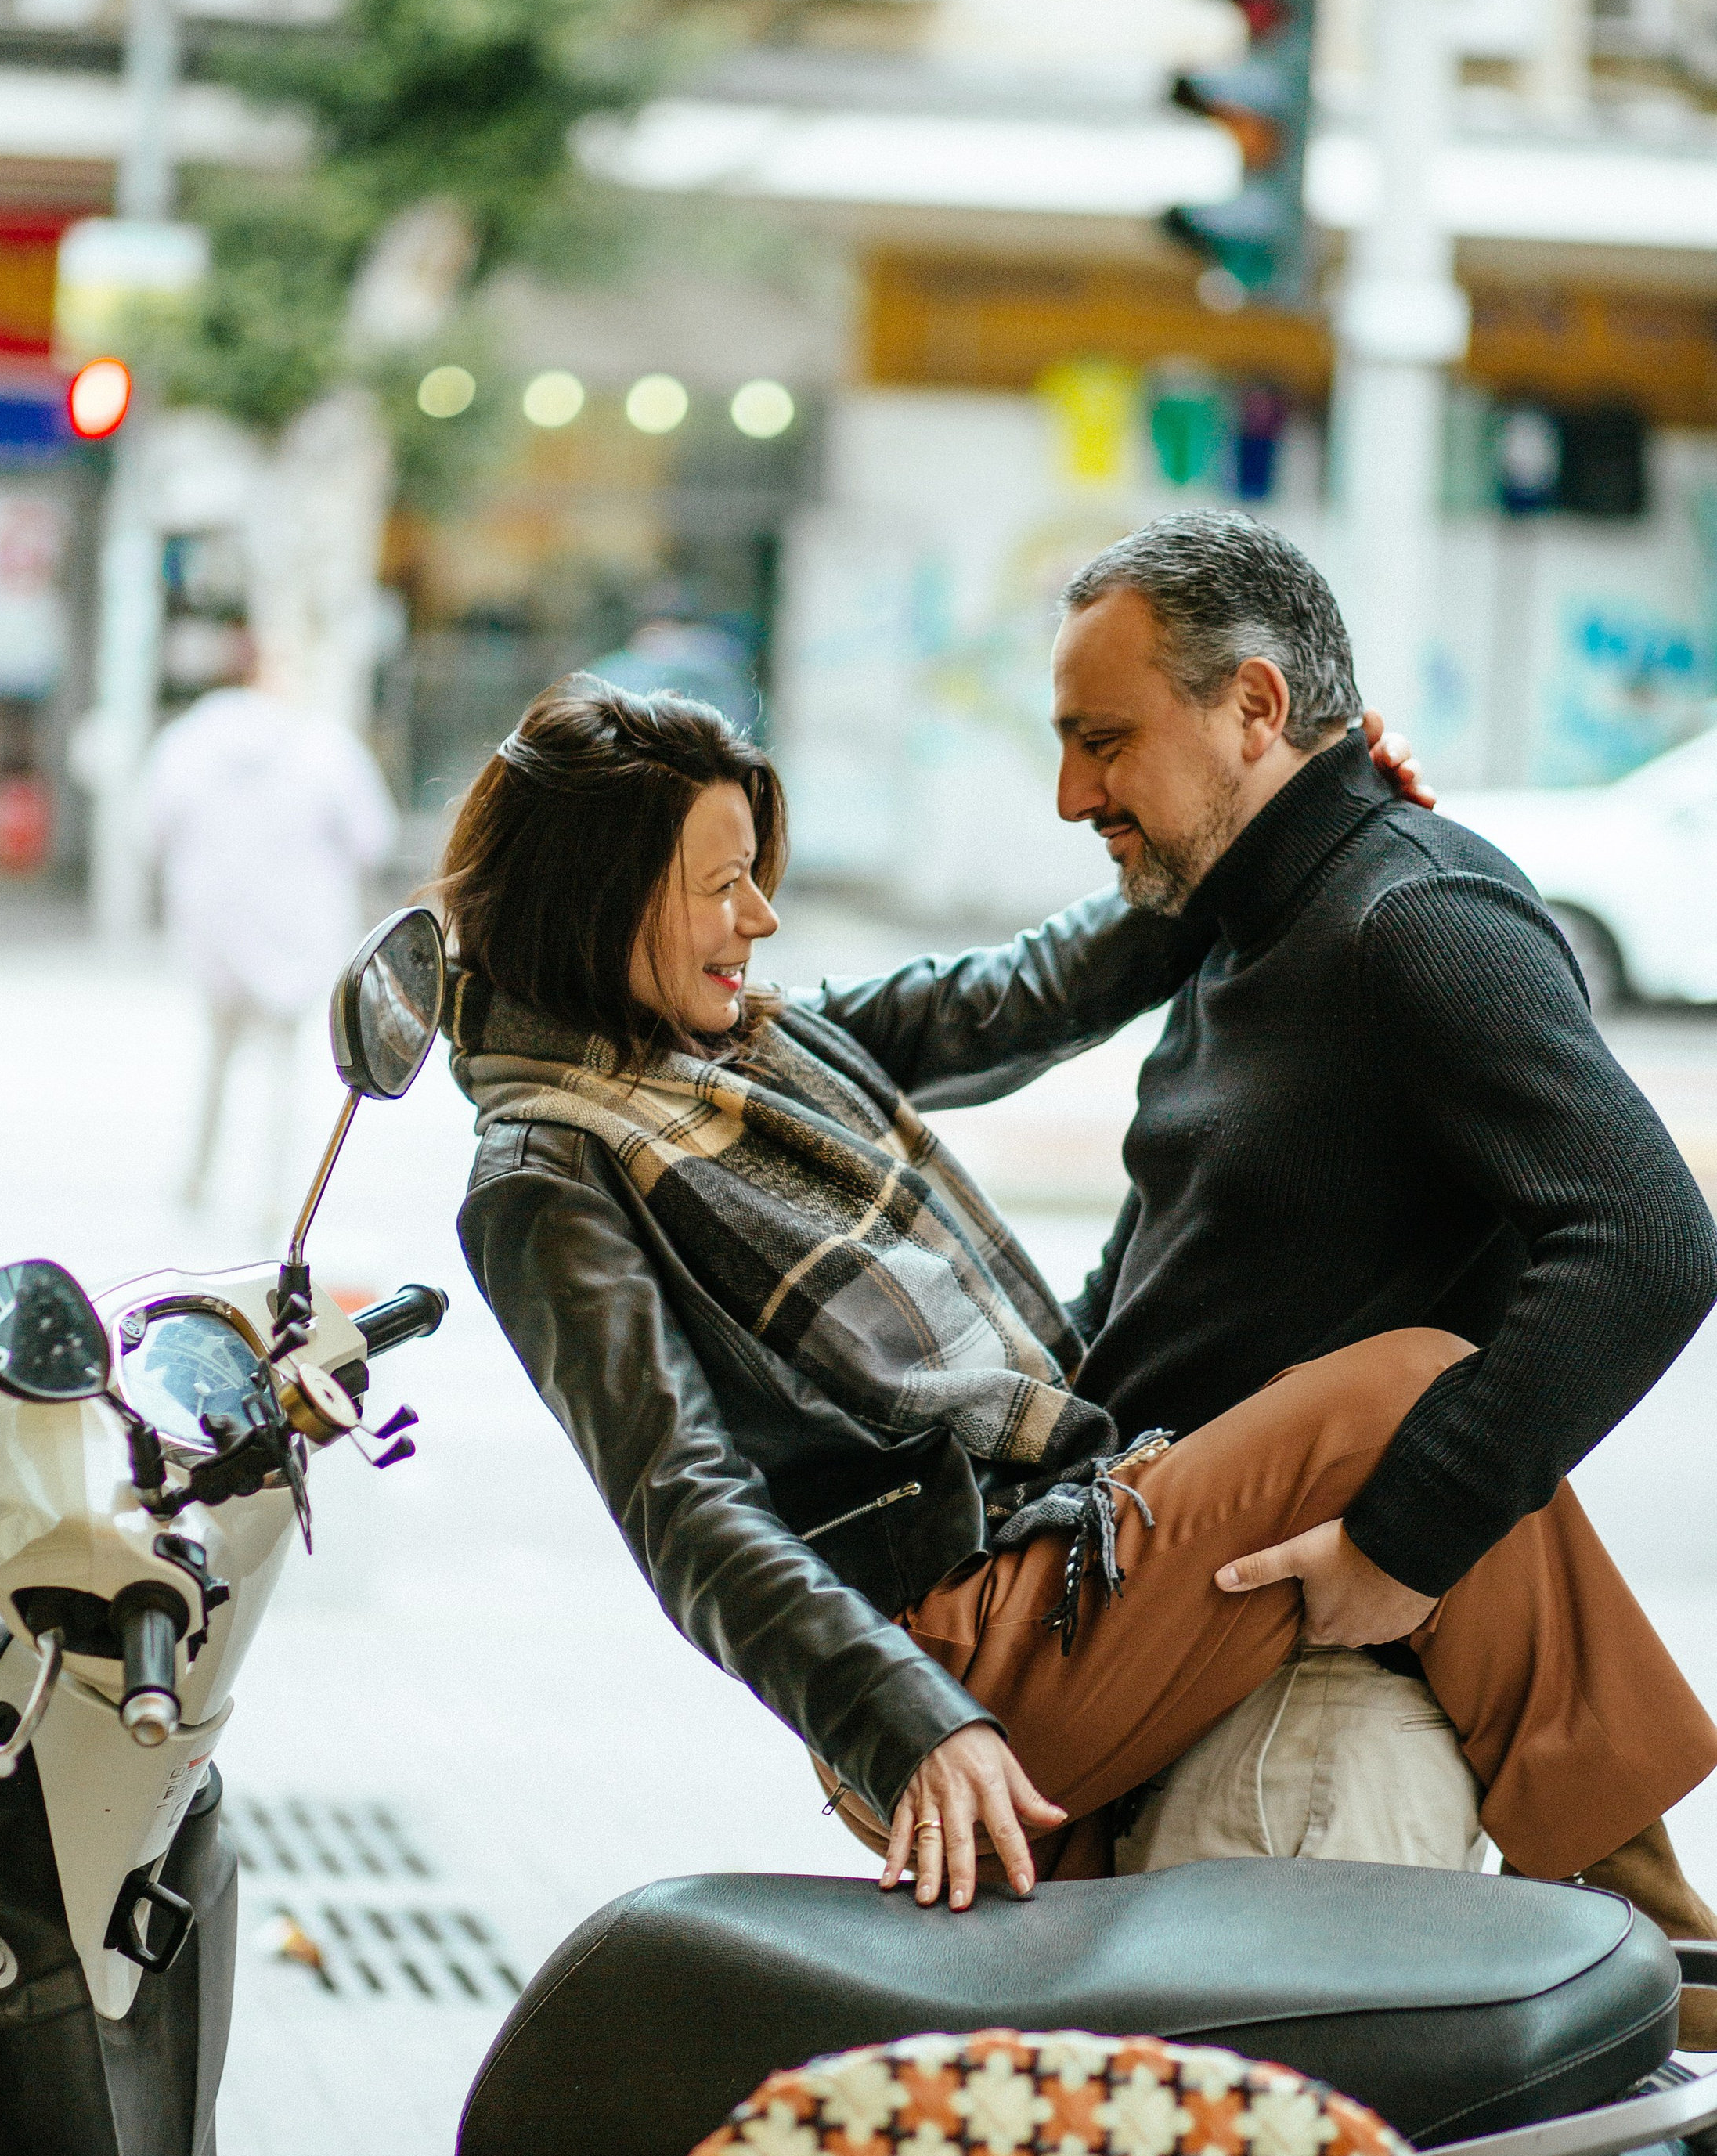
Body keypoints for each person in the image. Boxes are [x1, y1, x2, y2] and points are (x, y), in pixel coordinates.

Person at [442, 674, 1717, 1978]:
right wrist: (911, 1724)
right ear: (596, 904)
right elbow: (687, 1508)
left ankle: (1651, 1955)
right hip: (951, 1649)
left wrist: (1287, 806)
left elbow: (1020, 995)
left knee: (1442, 1445)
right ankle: (1662, 1950)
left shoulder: (750, 1047)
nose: (759, 920)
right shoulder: (546, 1172)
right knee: (1410, 1397)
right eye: (721, 887)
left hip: (1041, 1553)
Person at [1019, 509, 1717, 1956]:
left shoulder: (1415, 914)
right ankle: (1660, 1945)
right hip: (1172, 1657)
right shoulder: (1238, 929)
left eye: (1107, 740)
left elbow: (1648, 1240)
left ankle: (1656, 1953)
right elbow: (1160, 1276)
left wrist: (1404, 1542)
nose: (1075, 792)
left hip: (1304, 1727)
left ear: (1254, 707)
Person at [140, 651, 398, 1217]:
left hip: (214, 933)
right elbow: (374, 837)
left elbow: (150, 829)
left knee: (216, 1058)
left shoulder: (185, 744)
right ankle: (276, 1199)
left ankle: (197, 1179)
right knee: (283, 1072)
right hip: (296, 936)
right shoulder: (325, 746)